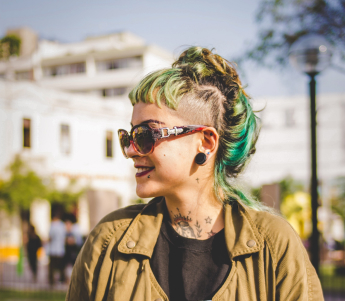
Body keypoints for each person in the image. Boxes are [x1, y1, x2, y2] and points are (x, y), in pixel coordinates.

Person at [66, 47, 323, 300]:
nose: (132, 150)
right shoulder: (108, 242)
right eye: (129, 136)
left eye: (146, 135)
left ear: (207, 142)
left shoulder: (274, 246)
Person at [47, 212, 66, 286]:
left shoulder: (53, 225)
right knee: (61, 266)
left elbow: (50, 237)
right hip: (60, 249)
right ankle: (62, 279)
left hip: (53, 249)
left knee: (52, 267)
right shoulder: (62, 225)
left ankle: (51, 281)